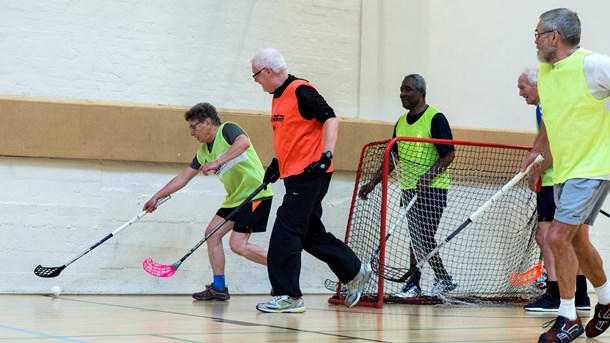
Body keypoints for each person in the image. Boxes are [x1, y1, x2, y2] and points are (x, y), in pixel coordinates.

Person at [250, 48, 371, 313]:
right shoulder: (278, 98)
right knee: (309, 233)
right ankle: (354, 271)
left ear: (267, 71)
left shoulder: (301, 91)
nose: (256, 81)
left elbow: (331, 119)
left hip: (311, 173)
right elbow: (291, 137)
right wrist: (276, 165)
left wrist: (327, 155)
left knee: (285, 232)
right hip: (293, 176)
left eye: (256, 76)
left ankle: (288, 296)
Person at [521, 8, 610, 343]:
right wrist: (537, 156)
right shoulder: (546, 72)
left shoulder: (593, 65)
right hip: (567, 170)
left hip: (593, 167)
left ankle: (568, 316)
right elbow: (551, 118)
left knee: (556, 236)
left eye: (538, 34)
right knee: (576, 240)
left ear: (554, 37)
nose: (535, 40)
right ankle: (606, 301)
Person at [143, 102, 274, 302]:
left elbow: (244, 143)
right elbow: (183, 178)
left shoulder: (227, 129)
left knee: (238, 245)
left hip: (255, 194)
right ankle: (219, 288)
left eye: (193, 127)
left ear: (207, 122)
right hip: (235, 198)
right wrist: (157, 196)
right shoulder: (203, 151)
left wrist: (217, 162)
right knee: (211, 235)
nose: (191, 133)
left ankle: (283, 267)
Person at [359, 74, 457, 298]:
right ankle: (442, 278)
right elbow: (392, 158)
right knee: (418, 237)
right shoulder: (401, 123)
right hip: (410, 189)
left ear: (421, 92)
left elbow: (449, 154)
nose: (402, 94)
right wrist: (372, 183)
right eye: (401, 89)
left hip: (433, 189)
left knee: (422, 235)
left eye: (408, 89)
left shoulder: (435, 118)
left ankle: (415, 282)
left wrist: (427, 177)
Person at [517, 68, 590, 313]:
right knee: (575, 237)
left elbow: (554, 146)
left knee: (547, 235)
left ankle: (555, 292)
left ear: (537, 85)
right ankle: (580, 295)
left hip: (555, 179)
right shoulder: (557, 105)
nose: (520, 93)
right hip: (572, 177)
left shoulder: (547, 106)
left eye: (523, 87)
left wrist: (537, 171)